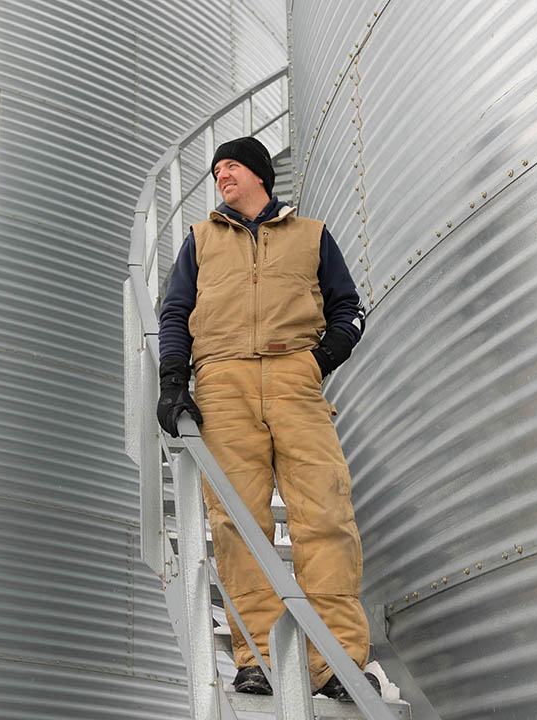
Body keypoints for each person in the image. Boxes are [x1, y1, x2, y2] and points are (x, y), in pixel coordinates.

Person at [156, 136, 379, 700]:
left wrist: (316, 361)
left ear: (259, 173)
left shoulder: (311, 236)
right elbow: (177, 310)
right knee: (236, 521)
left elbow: (347, 307)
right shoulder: (200, 240)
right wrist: (173, 379)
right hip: (224, 385)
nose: (221, 176)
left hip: (294, 382)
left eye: (231, 165)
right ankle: (258, 656)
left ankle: (334, 663)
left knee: (324, 513)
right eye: (215, 170)